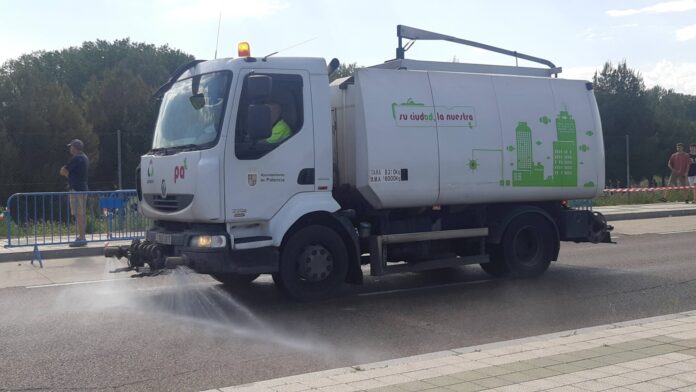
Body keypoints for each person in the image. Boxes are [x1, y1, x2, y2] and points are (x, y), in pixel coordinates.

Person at [59, 139, 89, 247]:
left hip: (76, 189)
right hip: (83, 188)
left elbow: (63, 170)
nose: (70, 149)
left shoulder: (76, 158)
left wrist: (69, 176)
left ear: (75, 148)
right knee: (82, 213)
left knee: (79, 214)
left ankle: (81, 237)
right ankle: (82, 236)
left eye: (71, 147)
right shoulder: (84, 157)